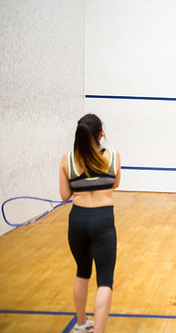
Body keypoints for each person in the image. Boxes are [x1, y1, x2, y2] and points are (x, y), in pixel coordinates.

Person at [59, 114, 121, 333]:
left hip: (77, 221)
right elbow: (115, 184)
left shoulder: (67, 159)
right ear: (100, 134)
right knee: (105, 280)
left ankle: (82, 324)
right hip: (102, 221)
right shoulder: (112, 156)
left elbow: (65, 195)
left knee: (82, 271)